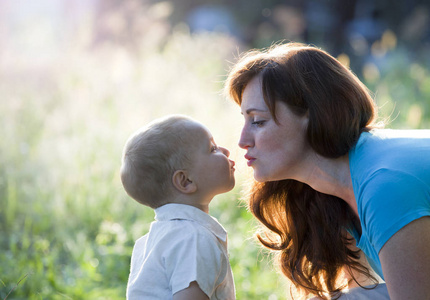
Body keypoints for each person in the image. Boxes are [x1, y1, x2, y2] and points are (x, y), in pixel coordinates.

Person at [224, 42, 430, 299]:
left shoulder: (383, 185)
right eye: (244, 120)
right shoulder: (332, 187)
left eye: (258, 121)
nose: (243, 140)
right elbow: (359, 290)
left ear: (313, 114)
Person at [120, 115, 236, 300]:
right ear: (185, 181)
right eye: (213, 149)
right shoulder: (193, 239)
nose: (226, 151)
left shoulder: (150, 242)